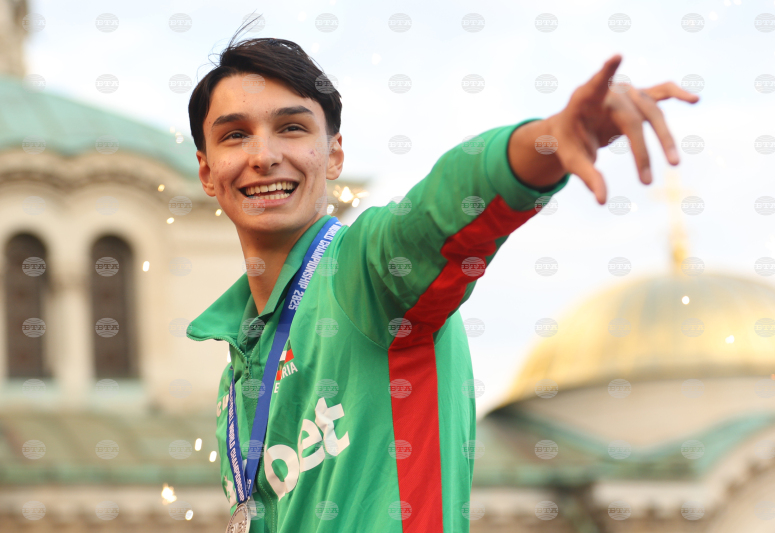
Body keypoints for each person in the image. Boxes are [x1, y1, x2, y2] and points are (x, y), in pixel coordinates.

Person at [185, 22, 699, 533]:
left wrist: (549, 138)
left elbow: (441, 208)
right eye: (235, 135)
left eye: (292, 128)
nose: (264, 156)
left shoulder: (366, 273)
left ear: (335, 154)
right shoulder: (237, 370)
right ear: (207, 172)